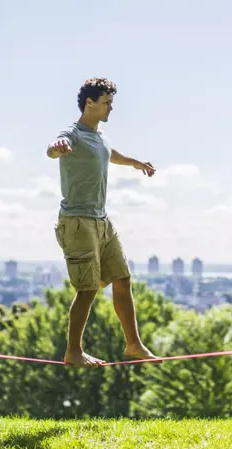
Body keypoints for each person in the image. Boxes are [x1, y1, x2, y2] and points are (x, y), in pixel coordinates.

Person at [46, 77, 160, 368]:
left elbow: (110, 154)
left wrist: (136, 163)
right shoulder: (72, 133)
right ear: (89, 103)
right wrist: (57, 146)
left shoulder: (100, 136)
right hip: (77, 221)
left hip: (101, 220)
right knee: (87, 289)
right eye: (106, 103)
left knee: (123, 279)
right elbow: (53, 147)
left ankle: (134, 345)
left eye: (111, 103)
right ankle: (74, 352)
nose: (111, 108)